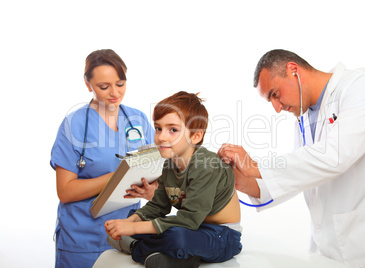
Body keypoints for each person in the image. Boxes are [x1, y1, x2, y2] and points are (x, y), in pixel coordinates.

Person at [218, 49, 365, 268]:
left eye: (275, 94)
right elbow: (303, 173)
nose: (277, 108)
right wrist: (240, 181)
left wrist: (254, 166)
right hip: (327, 247)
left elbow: (335, 156)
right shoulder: (305, 117)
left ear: (293, 70)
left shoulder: (364, 85)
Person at [105, 91, 242, 268]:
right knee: (135, 218)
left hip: (222, 235)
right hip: (194, 229)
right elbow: (158, 206)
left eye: (173, 130)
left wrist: (132, 230)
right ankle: (178, 257)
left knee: (178, 237)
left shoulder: (206, 165)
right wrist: (129, 222)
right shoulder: (169, 164)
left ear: (196, 136)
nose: (162, 137)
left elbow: (188, 221)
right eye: (158, 128)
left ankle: (135, 247)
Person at [50, 49, 157, 268]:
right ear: (88, 85)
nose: (114, 93)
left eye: (120, 83)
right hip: (82, 239)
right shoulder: (74, 125)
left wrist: (151, 190)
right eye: (104, 87)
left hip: (128, 236)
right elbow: (65, 191)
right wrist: (116, 177)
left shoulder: (137, 119)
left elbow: (156, 171)